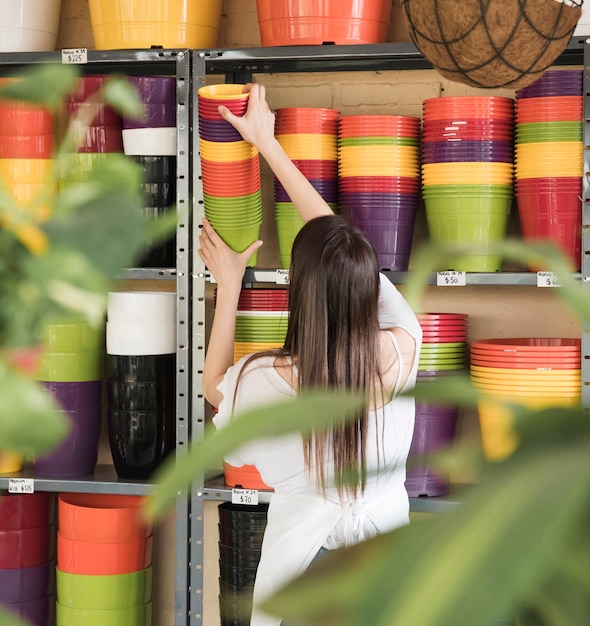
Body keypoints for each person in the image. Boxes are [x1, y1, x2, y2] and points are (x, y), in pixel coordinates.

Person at [198, 83, 422, 626]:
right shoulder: (402, 346)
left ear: (298, 289)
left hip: (301, 577)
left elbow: (212, 387)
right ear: (369, 285)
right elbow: (339, 248)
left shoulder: (264, 380)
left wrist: (230, 287)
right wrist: (271, 145)